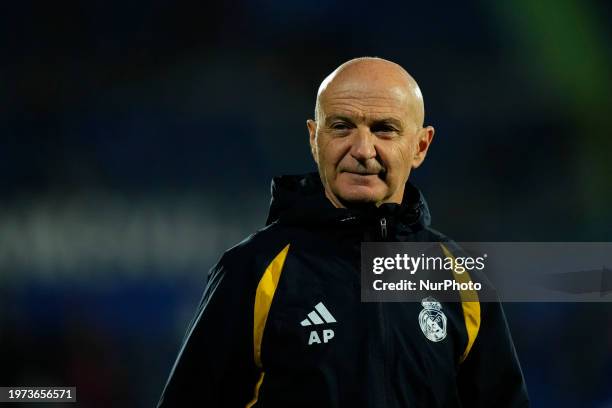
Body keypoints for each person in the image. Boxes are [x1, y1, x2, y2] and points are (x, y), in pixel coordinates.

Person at [157, 57, 529, 407]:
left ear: (419, 146)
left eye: (384, 129)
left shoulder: (461, 278)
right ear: (313, 138)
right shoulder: (252, 270)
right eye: (341, 127)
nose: (363, 149)